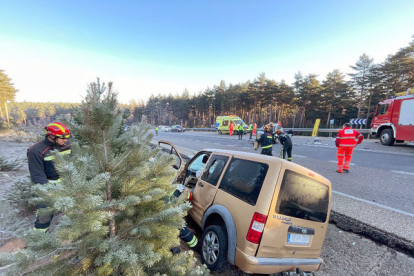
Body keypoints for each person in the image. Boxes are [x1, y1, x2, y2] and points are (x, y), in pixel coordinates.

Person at [27, 121, 72, 231]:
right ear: (51, 136)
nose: (65, 140)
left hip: (67, 186)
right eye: (62, 137)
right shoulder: (35, 151)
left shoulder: (66, 146)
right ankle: (39, 238)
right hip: (45, 189)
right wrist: (49, 193)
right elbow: (37, 175)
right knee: (44, 217)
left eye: (67, 137)